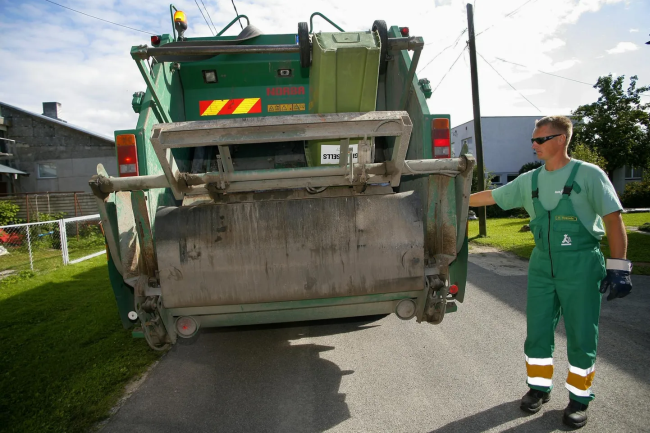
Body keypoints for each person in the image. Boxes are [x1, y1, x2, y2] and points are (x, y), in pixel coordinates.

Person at [469, 116, 632, 429]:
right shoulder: (530, 180)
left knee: (582, 334)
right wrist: (454, 199)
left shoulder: (589, 175)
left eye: (540, 139)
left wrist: (619, 268)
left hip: (581, 264)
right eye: (533, 139)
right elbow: (491, 196)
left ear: (560, 139)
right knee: (538, 330)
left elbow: (613, 220)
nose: (534, 145)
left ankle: (579, 399)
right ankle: (538, 388)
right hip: (542, 264)